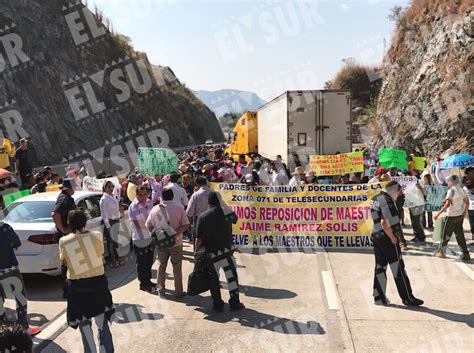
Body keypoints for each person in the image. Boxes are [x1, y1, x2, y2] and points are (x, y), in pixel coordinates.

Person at [59, 209, 114, 353]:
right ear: (85, 222)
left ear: (69, 224)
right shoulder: (96, 236)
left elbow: (64, 262)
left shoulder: (64, 241)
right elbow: (100, 253)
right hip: (98, 285)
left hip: (77, 289)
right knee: (102, 324)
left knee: (84, 326)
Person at [370, 181, 423, 306]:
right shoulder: (388, 202)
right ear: (394, 190)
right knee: (398, 268)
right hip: (387, 238)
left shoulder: (376, 197)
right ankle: (407, 298)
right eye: (399, 192)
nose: (400, 194)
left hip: (376, 236)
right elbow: (385, 223)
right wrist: (393, 237)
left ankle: (378, 297)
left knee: (380, 267)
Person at [195, 191, 245, 312]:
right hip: (227, 251)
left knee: (213, 279)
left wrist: (196, 252)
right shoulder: (227, 213)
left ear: (208, 201)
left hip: (211, 253)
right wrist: (223, 204)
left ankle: (217, 304)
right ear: (220, 201)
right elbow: (235, 219)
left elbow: (198, 239)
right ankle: (234, 303)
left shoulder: (202, 216)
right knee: (231, 278)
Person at [146, 188, 189, 298]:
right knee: (177, 268)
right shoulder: (179, 208)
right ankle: (179, 291)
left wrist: (158, 233)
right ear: (173, 196)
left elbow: (148, 225)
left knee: (161, 266)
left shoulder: (155, 209)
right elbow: (185, 225)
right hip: (176, 243)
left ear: (161, 197)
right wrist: (175, 235)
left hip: (161, 243)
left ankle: (161, 290)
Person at [0, 222, 41, 336]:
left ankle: (3, 330)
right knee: (19, 297)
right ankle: (24, 328)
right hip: (9, 268)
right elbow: (16, 242)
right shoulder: (5, 227)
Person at [434, 175, 470, 261]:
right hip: (459, 216)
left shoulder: (451, 191)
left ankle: (441, 252)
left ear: (452, 182)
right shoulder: (461, 190)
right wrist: (464, 212)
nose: (447, 182)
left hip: (451, 216)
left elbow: (447, 204)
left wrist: (438, 214)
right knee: (460, 235)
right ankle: (466, 254)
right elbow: (467, 202)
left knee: (445, 235)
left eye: (449, 181)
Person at [129, 186, 156, 293]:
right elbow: (137, 222)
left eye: (145, 194)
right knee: (142, 262)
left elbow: (153, 216)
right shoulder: (133, 206)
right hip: (139, 238)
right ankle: (143, 283)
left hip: (149, 236)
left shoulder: (149, 202)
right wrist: (149, 226)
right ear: (136, 195)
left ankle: (148, 280)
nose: (144, 197)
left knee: (149, 260)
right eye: (141, 195)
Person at [100, 181, 123, 268]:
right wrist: (108, 226)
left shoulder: (112, 197)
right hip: (110, 222)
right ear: (105, 188)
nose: (111, 188)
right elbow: (104, 214)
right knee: (110, 242)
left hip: (115, 220)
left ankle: (117, 258)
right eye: (109, 187)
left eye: (112, 187)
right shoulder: (104, 199)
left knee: (115, 241)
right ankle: (113, 260)